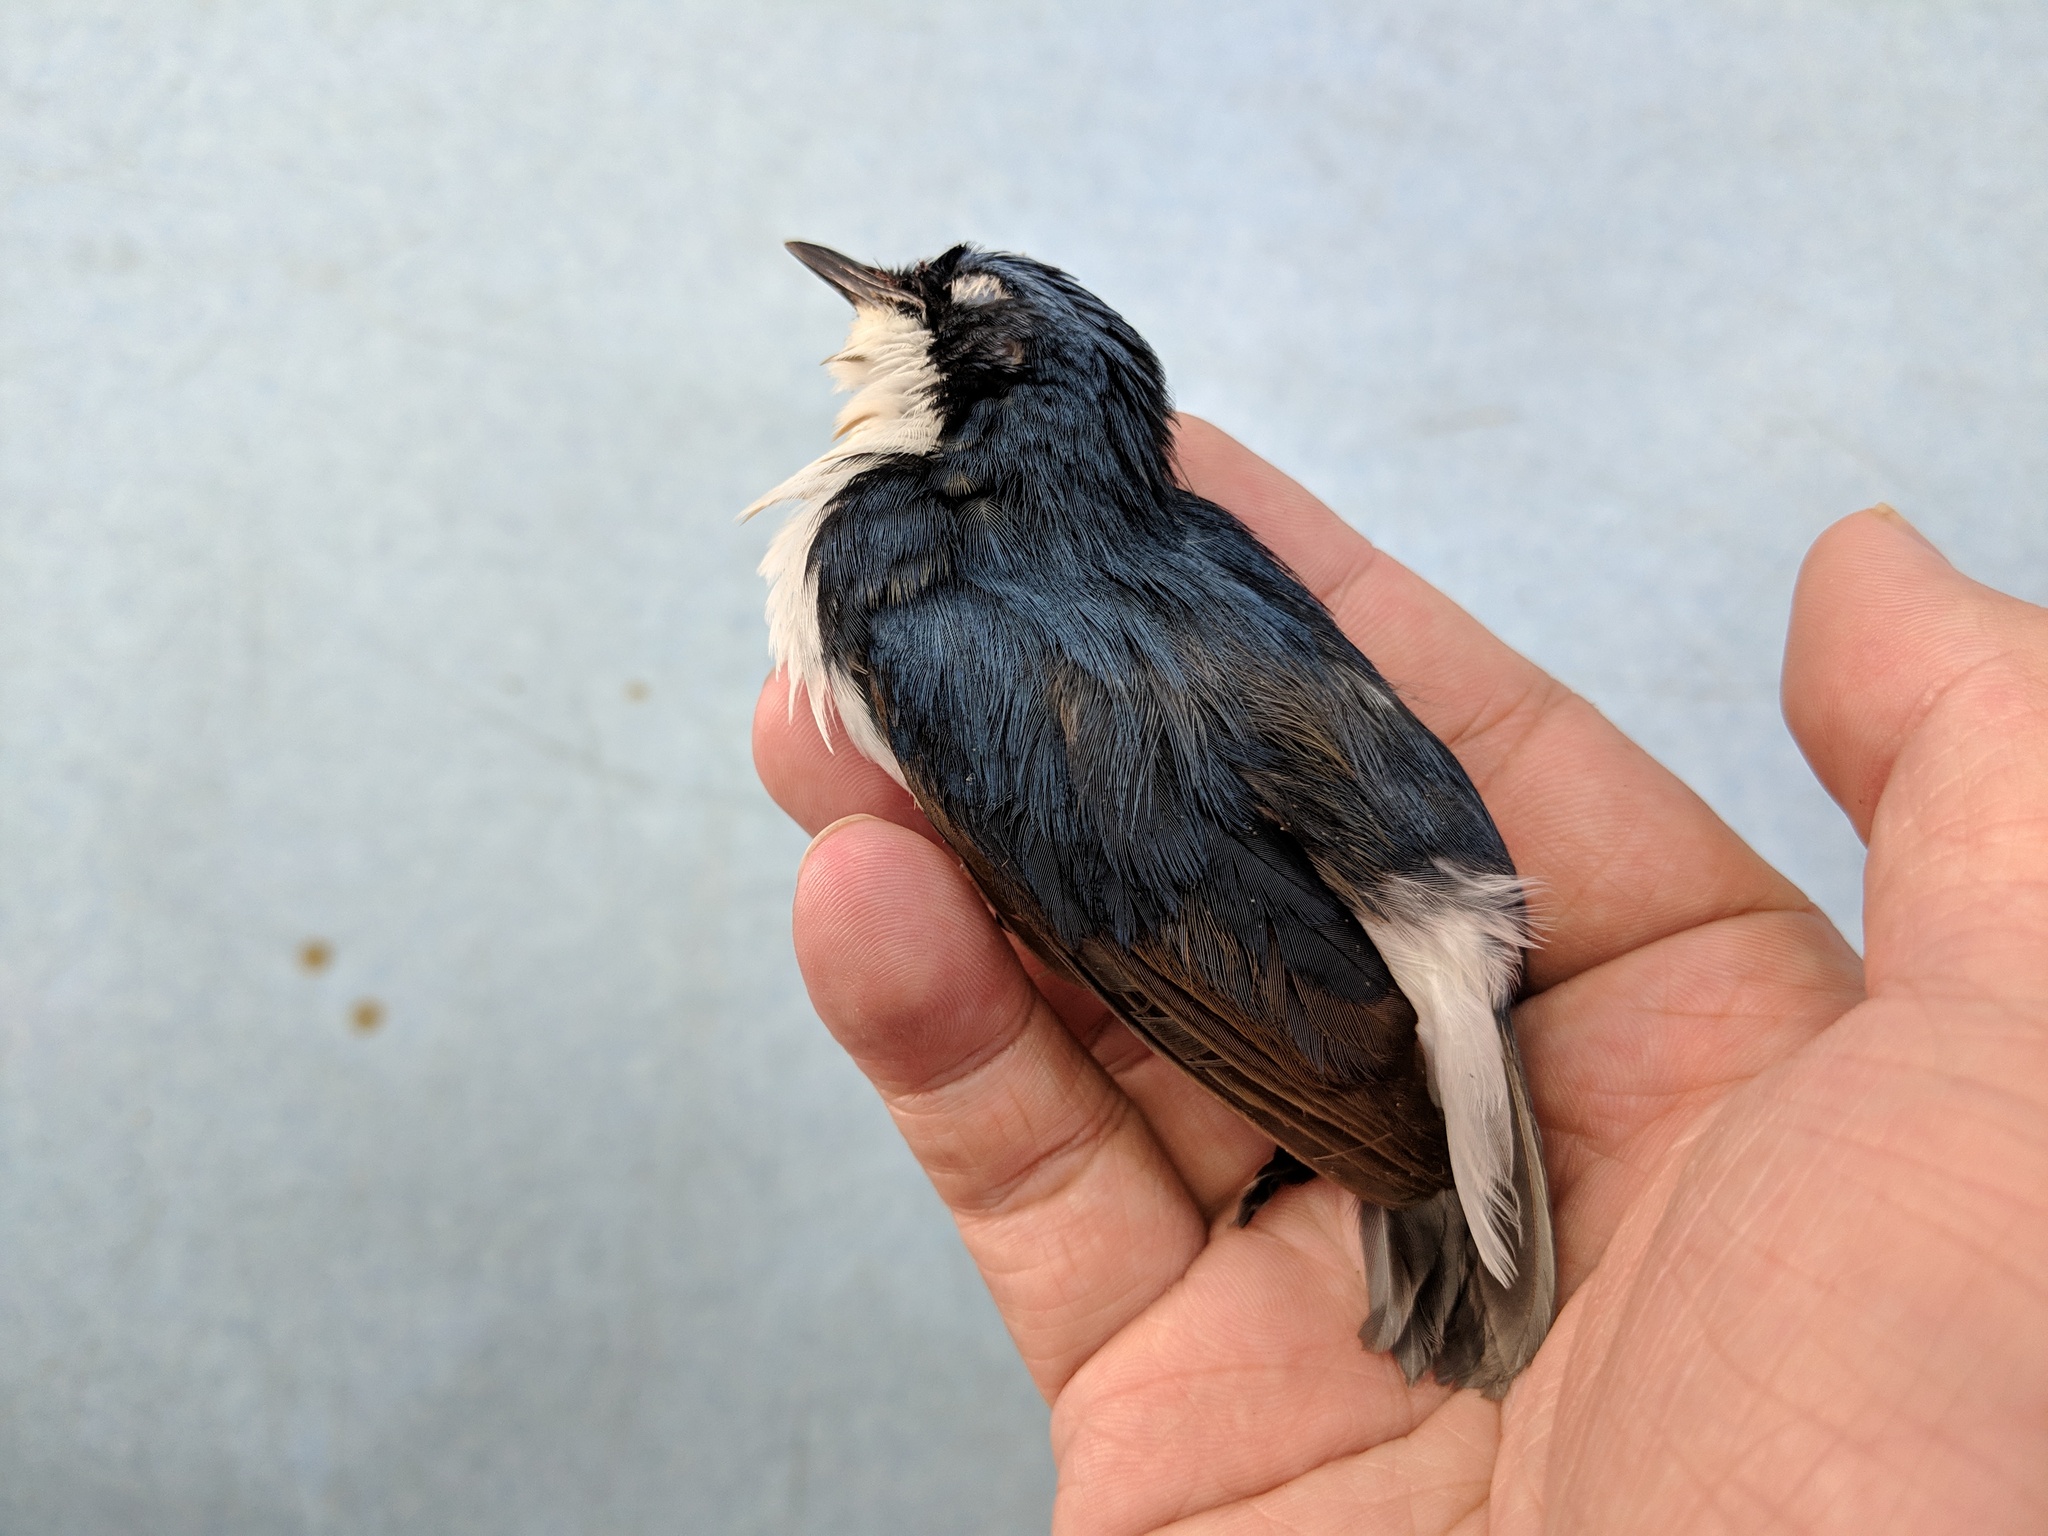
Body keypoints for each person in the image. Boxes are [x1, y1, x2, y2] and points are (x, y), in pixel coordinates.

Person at [752, 416, 2048, 1534]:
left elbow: (1131, 916)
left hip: (1354, 977)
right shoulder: (1144, 540)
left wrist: (1369, 1109)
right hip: (1398, 922)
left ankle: (1407, 1111)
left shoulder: (935, 605)